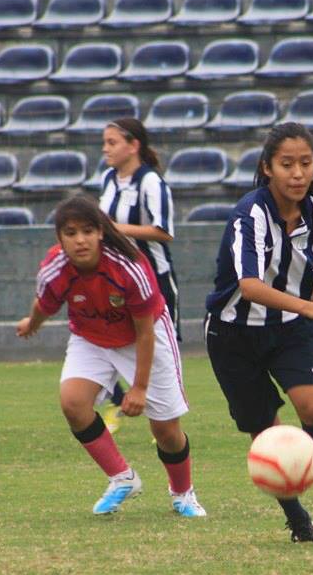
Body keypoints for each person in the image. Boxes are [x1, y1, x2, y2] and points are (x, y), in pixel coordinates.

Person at [204, 122, 313, 542]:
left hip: (291, 328)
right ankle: (297, 519)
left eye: (305, 163)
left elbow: (305, 268)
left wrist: (312, 302)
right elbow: (250, 286)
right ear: (267, 168)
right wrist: (310, 306)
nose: (297, 173)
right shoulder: (249, 215)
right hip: (233, 335)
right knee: (268, 433)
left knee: (312, 407)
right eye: (287, 164)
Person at [16, 195, 205, 518]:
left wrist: (139, 389)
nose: (80, 240)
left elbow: (146, 331)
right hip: (91, 338)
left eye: (88, 231)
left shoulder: (129, 266)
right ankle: (122, 478)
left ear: (101, 232)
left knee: (166, 431)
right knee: (73, 402)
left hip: (142, 338)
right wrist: (31, 323)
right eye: (71, 233)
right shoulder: (55, 268)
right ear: (59, 238)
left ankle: (183, 493)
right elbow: (44, 303)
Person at [98, 118, 181, 433]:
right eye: (105, 142)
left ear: (133, 146)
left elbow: (163, 231)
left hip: (154, 280)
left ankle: (167, 422)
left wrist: (114, 229)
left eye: (112, 142)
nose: (105, 149)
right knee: (104, 339)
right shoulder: (109, 179)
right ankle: (116, 399)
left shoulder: (150, 182)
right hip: (115, 279)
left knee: (159, 351)